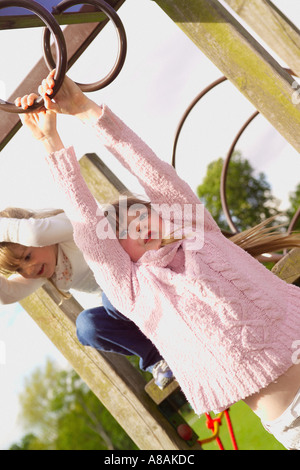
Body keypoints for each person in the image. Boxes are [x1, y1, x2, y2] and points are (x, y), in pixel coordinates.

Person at [16, 71, 300, 450]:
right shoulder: (136, 290)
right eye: (123, 234)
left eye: (140, 216)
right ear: (119, 256)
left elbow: (147, 166)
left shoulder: (197, 232)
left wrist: (85, 109)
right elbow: (85, 222)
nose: (137, 227)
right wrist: (50, 141)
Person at [0, 207, 173, 388]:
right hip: (125, 307)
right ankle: (156, 358)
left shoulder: (67, 225)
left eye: (27, 256)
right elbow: (7, 294)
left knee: (109, 297)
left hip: (147, 280)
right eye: (18, 269)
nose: (29, 269)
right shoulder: (44, 268)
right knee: (86, 326)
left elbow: (34, 234)